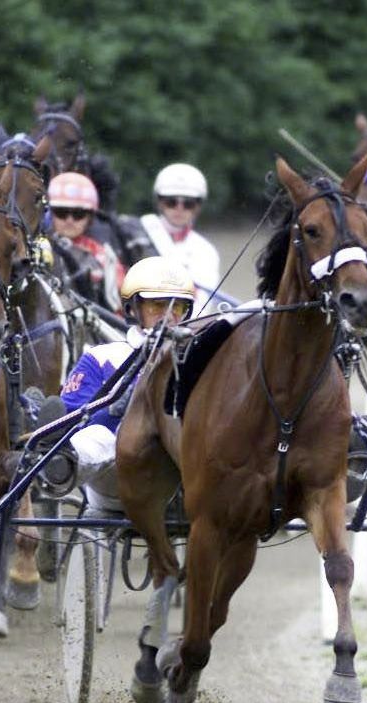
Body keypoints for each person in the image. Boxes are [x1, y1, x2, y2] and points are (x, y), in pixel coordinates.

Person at [57, 256, 194, 511]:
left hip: (188, 480)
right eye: (157, 305)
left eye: (177, 308)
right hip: (118, 483)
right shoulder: (101, 357)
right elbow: (72, 420)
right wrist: (114, 411)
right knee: (98, 435)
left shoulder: (201, 357)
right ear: (132, 309)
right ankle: (62, 467)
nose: (168, 316)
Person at [139, 163, 224, 311]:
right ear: (159, 202)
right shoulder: (136, 233)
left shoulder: (206, 252)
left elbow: (201, 308)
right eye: (171, 202)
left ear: (198, 206)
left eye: (188, 204)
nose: (179, 208)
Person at [47, 172, 124, 310]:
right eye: (61, 212)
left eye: (78, 214)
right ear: (49, 213)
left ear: (90, 217)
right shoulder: (38, 250)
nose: (69, 220)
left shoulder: (104, 257)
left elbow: (119, 306)